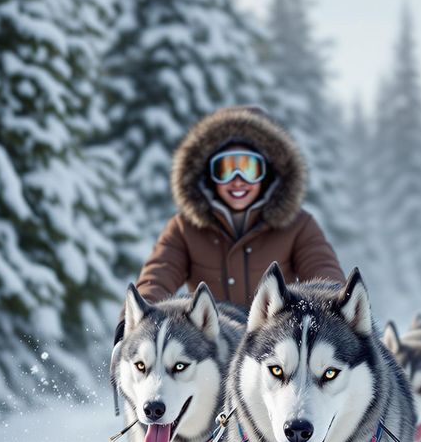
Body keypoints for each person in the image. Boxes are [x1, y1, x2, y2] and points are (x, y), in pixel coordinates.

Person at [133, 106, 343, 309]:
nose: (238, 180)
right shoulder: (184, 228)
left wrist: (339, 315)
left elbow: (324, 275)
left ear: (267, 172)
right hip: (214, 339)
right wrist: (135, 323)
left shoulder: (297, 225)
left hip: (274, 340)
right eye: (225, 170)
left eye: (249, 169)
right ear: (208, 174)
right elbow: (157, 279)